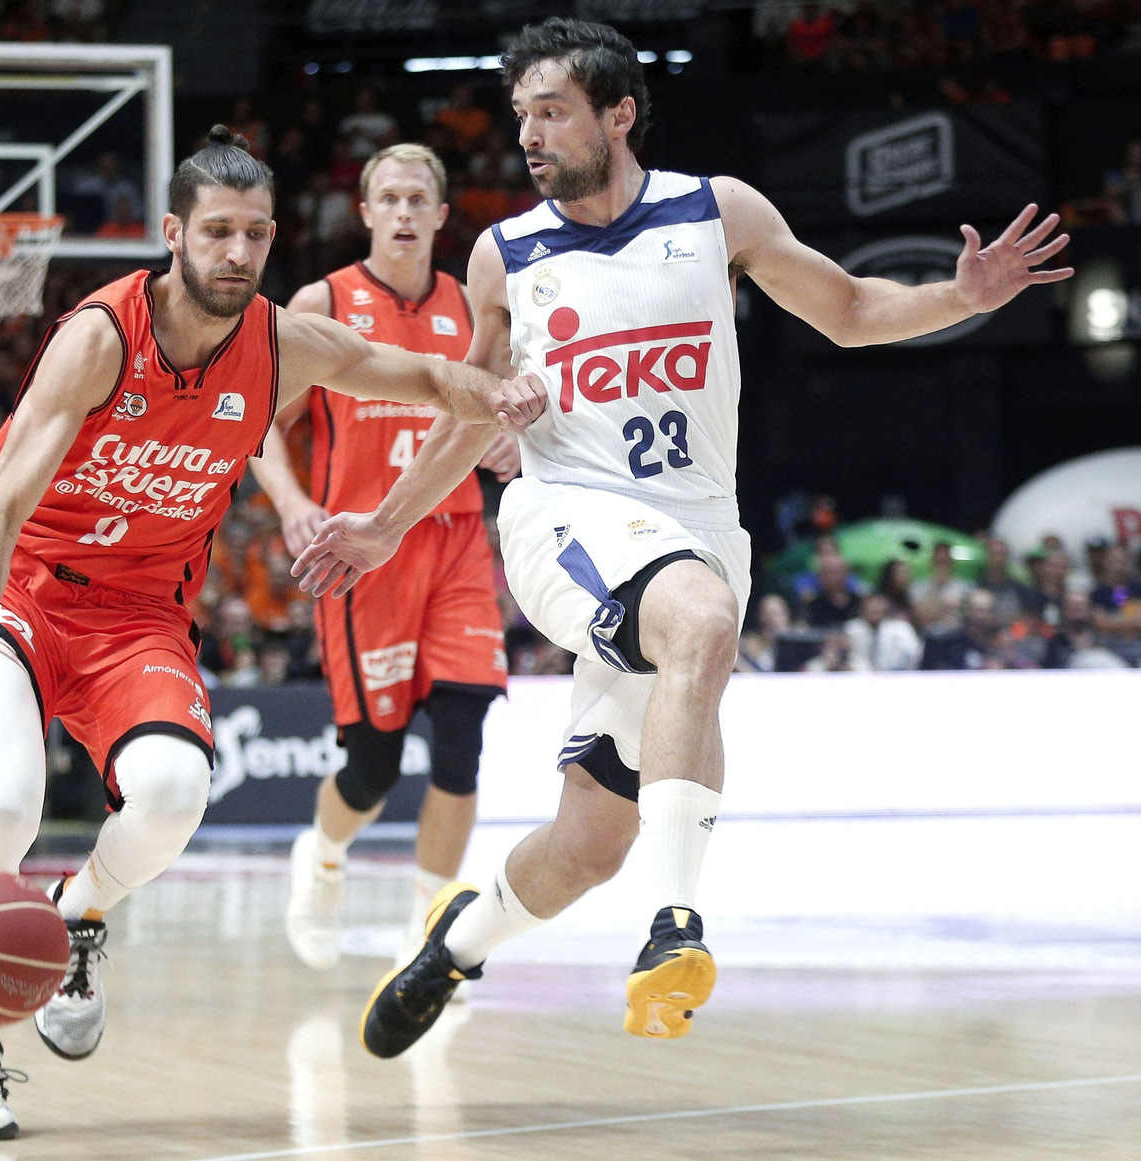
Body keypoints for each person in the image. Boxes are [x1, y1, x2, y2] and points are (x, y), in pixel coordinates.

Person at [290, 16, 1070, 1058]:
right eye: (519, 114)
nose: (527, 135)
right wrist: (386, 524)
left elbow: (846, 307)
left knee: (586, 845)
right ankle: (674, 929)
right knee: (696, 619)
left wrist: (957, 297)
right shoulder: (503, 253)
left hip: (699, 525)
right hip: (563, 512)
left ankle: (452, 947)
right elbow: (463, 405)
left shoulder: (718, 212)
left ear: (617, 115)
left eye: (551, 111)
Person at [0, 126, 543, 1140]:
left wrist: (493, 393)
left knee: (171, 795)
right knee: (10, 799)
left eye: (256, 234)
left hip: (137, 611)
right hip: (15, 589)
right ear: (172, 234)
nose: (238, 253)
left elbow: (413, 375)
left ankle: (77, 914)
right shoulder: (101, 338)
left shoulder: (285, 344)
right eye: (218, 232)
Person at [248, 142, 519, 974]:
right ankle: (322, 856)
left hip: (457, 536)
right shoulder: (322, 301)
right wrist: (294, 503)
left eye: (418, 200)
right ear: (364, 212)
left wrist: (510, 441)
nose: (404, 213)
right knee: (372, 764)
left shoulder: (476, 308)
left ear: (442, 216)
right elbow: (257, 419)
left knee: (464, 735)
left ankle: (431, 935)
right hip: (362, 552)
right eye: (388, 199)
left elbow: (505, 412)